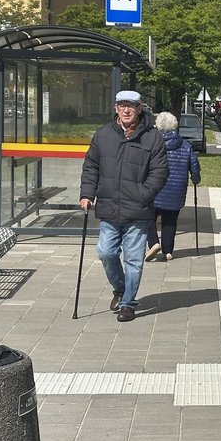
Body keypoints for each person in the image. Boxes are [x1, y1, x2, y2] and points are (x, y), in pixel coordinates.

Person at [79, 90, 168, 322]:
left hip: (138, 211)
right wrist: (87, 194)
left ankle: (128, 303)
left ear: (140, 108)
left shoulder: (152, 137)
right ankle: (119, 288)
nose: (126, 110)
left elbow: (160, 172)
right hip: (108, 208)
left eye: (131, 105)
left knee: (133, 260)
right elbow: (91, 167)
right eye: (122, 105)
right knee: (106, 253)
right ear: (116, 108)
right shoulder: (103, 135)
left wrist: (143, 194)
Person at [146, 111, 201, 262]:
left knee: (147, 216)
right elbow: (194, 164)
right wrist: (195, 177)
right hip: (176, 190)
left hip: (154, 188)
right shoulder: (184, 145)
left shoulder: (152, 143)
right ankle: (168, 251)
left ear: (157, 126)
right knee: (170, 220)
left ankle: (153, 243)